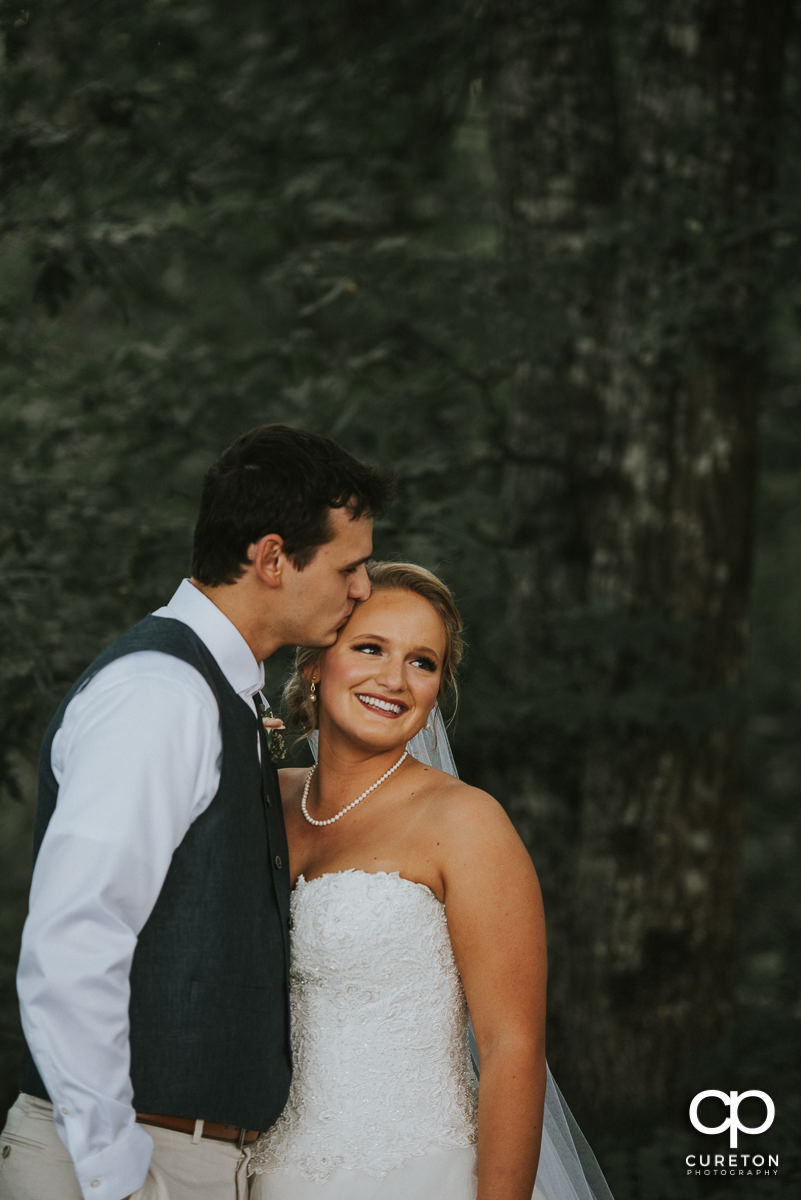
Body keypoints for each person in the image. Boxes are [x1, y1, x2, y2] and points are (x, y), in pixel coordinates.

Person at [0, 425, 391, 1200]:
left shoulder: (218, 692)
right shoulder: (160, 693)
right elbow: (74, 939)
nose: (362, 590)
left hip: (186, 1158)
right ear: (272, 558)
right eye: (348, 567)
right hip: (131, 1158)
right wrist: (115, 1171)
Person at [248, 562, 614, 1200]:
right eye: (370, 648)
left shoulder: (466, 822)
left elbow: (511, 1047)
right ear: (314, 664)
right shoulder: (261, 801)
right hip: (264, 1173)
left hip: (415, 1172)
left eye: (422, 662)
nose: (394, 679)